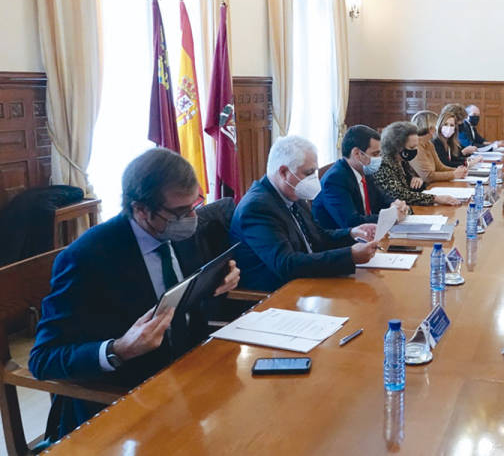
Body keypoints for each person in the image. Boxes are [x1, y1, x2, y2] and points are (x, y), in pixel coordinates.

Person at [29, 148, 241, 440]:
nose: (192, 217)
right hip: (125, 398)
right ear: (141, 209)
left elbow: (188, 302)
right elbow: (43, 359)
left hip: (189, 376)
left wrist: (219, 285)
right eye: (180, 211)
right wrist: (119, 349)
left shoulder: (181, 232)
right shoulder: (88, 257)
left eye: (195, 204)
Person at [230, 136, 379, 292]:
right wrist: (350, 256)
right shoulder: (257, 207)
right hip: (277, 295)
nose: (313, 179)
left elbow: (318, 237)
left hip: (307, 282)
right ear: (283, 172)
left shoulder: (292, 193)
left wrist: (352, 234)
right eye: (308, 173)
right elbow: (287, 264)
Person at [313, 125, 409, 229]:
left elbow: (383, 200)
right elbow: (352, 223)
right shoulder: (334, 180)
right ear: (357, 154)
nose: (379, 159)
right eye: (375, 154)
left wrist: (397, 205)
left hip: (370, 235)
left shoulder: (365, 171)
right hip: (344, 242)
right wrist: (390, 217)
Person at [374, 121, 461, 207]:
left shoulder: (402, 160)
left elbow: (410, 182)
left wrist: (417, 178)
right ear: (396, 146)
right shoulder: (383, 164)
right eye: (412, 147)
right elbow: (400, 195)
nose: (416, 150)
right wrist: (435, 198)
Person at [408, 110, 468, 184]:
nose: (437, 128)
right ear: (430, 129)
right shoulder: (415, 146)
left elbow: (440, 167)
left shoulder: (429, 144)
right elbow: (428, 176)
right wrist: (454, 174)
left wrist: (458, 171)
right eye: (436, 126)